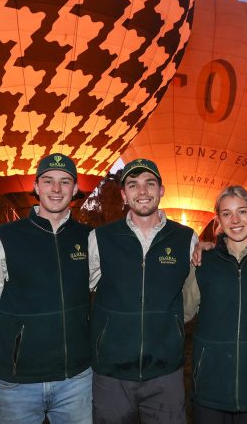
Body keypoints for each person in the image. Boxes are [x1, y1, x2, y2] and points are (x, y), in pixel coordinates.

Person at [0, 153, 93, 424]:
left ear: (74, 189)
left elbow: (116, 282)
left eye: (64, 181)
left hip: (77, 381)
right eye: (48, 181)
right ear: (36, 187)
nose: (56, 189)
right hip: (16, 383)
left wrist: (196, 248)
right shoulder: (5, 237)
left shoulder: (90, 238)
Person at [88, 158, 197, 424]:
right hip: (111, 374)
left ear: (161, 190)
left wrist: (167, 327)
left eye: (150, 183)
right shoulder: (101, 238)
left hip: (165, 373)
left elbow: (191, 299)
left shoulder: (185, 238)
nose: (143, 191)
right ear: (124, 194)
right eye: (133, 185)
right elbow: (84, 290)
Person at [183, 186, 247, 424]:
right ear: (218, 220)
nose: (235, 220)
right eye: (227, 214)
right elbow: (183, 311)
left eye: (242, 211)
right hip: (210, 388)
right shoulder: (202, 261)